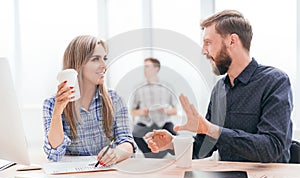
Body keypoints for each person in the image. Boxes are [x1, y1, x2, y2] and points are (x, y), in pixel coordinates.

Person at [145, 10, 293, 163]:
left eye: (208, 42)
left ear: (232, 41)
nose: (204, 51)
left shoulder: (275, 82)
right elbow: (205, 148)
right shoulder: (220, 88)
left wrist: (210, 129)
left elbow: (272, 149)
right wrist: (173, 143)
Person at [43, 35, 136, 166]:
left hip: (108, 175)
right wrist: (58, 111)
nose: (104, 65)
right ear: (78, 64)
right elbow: (55, 153)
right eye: (96, 59)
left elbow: (127, 142)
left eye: (104, 58)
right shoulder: (52, 104)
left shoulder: (114, 99)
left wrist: (116, 153)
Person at [131, 58, 177, 158]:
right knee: (135, 134)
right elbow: (133, 112)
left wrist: (164, 110)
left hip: (163, 121)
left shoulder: (167, 87)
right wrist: (142, 111)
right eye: (144, 67)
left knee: (176, 137)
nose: (145, 70)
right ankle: (149, 155)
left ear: (156, 69)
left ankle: (161, 154)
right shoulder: (139, 89)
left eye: (147, 67)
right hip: (146, 121)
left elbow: (175, 111)